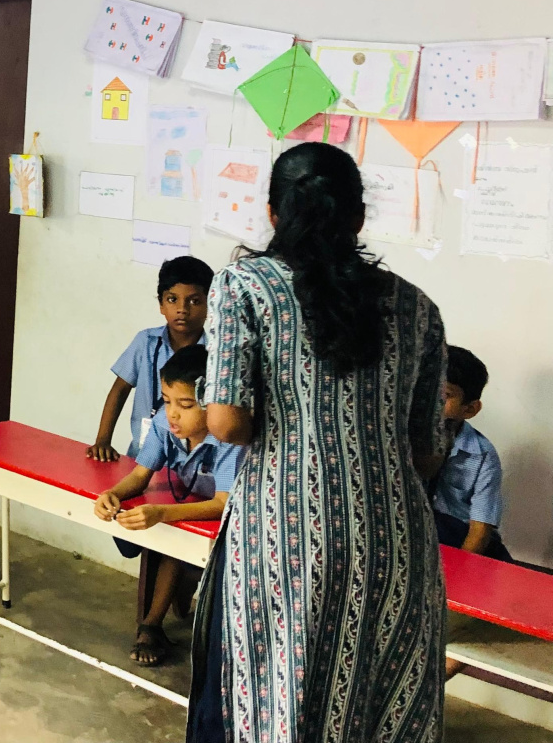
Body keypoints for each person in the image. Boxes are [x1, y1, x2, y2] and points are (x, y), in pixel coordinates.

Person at [190, 142, 447, 743]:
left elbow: (226, 424)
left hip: (284, 535)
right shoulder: (417, 307)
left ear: (273, 213)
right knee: (377, 699)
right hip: (394, 539)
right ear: (359, 216)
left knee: (281, 691)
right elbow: (428, 452)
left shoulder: (244, 286)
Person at [93, 345, 240, 668]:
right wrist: (112, 493)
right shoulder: (164, 422)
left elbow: (223, 504)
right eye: (167, 400)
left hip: (234, 519)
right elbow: (140, 475)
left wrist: (161, 513)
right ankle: (155, 621)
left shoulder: (228, 437)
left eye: (185, 405)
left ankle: (157, 621)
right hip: (191, 507)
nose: (172, 413)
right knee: (172, 540)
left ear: (214, 404)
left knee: (178, 540)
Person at [89, 256, 213, 462]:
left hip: (189, 464)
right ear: (161, 305)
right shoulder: (146, 342)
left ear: (210, 306)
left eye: (194, 301)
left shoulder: (213, 355)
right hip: (140, 456)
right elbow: (120, 390)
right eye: (172, 299)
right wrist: (103, 439)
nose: (182, 309)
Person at [431, 346, 509, 561]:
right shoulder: (403, 438)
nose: (432, 402)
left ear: (470, 409)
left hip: (463, 538)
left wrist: (460, 569)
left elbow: (480, 529)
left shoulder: (483, 456)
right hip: (424, 532)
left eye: (445, 395)